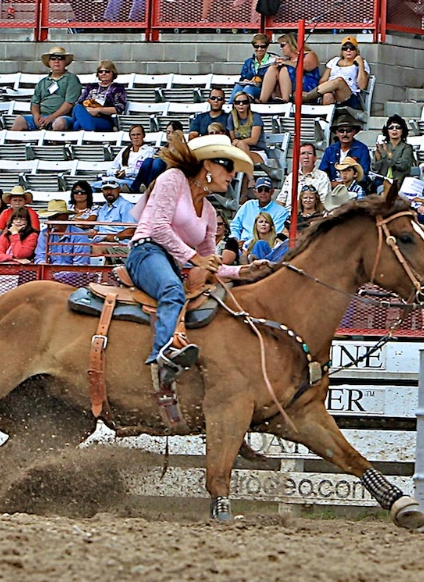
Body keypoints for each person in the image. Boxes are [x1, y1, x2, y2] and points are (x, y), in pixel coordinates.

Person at [125, 134, 254, 390]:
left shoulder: (208, 211)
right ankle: (162, 355)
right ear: (208, 165)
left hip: (168, 262)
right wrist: (195, 258)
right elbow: (159, 228)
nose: (231, 175)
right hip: (146, 251)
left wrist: (244, 270)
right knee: (173, 291)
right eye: (228, 166)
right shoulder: (172, 179)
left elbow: (209, 263)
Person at [11, 47, 83, 132]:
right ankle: (11, 144)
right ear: (49, 62)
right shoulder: (42, 82)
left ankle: (54, 144)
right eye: (53, 58)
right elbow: (34, 103)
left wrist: (51, 118)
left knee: (59, 124)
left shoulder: (72, 79)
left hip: (63, 117)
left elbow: (69, 104)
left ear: (65, 62)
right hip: (42, 116)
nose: (56, 61)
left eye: (60, 58)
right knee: (19, 120)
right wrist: (36, 116)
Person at [303, 36, 371, 110]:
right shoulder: (334, 61)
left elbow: (362, 86)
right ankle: (325, 119)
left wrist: (360, 64)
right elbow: (323, 80)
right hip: (332, 92)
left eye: (352, 48)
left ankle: (307, 97)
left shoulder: (362, 63)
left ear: (356, 50)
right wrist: (330, 87)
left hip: (349, 96)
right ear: (342, 50)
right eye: (345, 48)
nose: (348, 50)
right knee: (327, 96)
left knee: (339, 81)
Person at [63, 60, 126, 132]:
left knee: (77, 124)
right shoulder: (91, 86)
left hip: (105, 119)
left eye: (107, 71)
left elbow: (119, 109)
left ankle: (86, 131)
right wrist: (88, 110)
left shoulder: (118, 88)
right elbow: (80, 102)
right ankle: (89, 130)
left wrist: (98, 110)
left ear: (113, 72)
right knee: (77, 107)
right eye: (101, 71)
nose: (103, 73)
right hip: (87, 115)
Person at [258, 32, 320, 103]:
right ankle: (262, 100)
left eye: (282, 45)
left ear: (291, 44)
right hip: (290, 86)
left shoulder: (309, 54)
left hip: (306, 86)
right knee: (272, 69)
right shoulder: (288, 60)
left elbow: (306, 66)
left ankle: (285, 100)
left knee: (284, 70)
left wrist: (287, 63)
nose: (281, 48)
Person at [229, 176, 289, 244]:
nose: (263, 193)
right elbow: (235, 225)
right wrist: (236, 238)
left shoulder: (281, 211)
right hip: (242, 244)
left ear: (272, 192)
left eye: (266, 190)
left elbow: (274, 233)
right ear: (255, 192)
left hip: (265, 245)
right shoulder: (248, 205)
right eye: (260, 190)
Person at [89, 177, 136, 261]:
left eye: (112, 189)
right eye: (106, 189)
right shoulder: (103, 208)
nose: (109, 192)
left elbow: (131, 230)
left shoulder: (126, 206)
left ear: (119, 189)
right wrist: (94, 232)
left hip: (121, 244)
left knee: (97, 248)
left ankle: (96, 273)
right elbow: (97, 228)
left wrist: (114, 237)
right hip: (103, 241)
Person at [318, 116, 372, 190]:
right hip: (332, 188)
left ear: (354, 132)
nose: (345, 134)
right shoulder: (330, 150)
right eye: (341, 131)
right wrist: (330, 184)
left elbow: (363, 175)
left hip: (354, 188)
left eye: (348, 131)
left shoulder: (362, 149)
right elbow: (322, 173)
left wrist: (347, 183)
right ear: (336, 133)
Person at [131, 121, 183, 193]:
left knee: (157, 162)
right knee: (148, 161)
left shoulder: (183, 149)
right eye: (168, 132)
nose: (169, 135)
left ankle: (148, 187)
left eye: (172, 132)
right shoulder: (163, 149)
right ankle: (136, 187)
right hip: (157, 175)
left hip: (170, 173)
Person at [103, 124, 157, 192]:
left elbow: (145, 171)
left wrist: (127, 172)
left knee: (112, 185)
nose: (135, 137)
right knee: (95, 185)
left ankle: (127, 188)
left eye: (138, 134)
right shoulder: (124, 150)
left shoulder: (149, 151)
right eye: (133, 135)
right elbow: (110, 169)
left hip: (136, 181)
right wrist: (116, 172)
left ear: (143, 135)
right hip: (118, 179)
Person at [276, 143, 330, 210]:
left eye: (309, 153)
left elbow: (324, 203)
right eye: (303, 153)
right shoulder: (291, 177)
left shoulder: (322, 177)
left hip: (313, 217)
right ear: (299, 158)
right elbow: (280, 201)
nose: (306, 156)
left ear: (315, 158)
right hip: (289, 216)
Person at [227, 91, 267, 178]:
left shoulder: (255, 117)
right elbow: (233, 139)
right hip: (240, 153)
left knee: (241, 146)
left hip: (257, 153)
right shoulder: (231, 118)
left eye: (244, 102)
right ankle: (247, 181)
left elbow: (253, 140)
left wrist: (239, 142)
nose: (241, 104)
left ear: (248, 104)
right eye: (238, 102)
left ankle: (250, 177)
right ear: (234, 104)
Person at [371, 115, 415, 194]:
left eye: (398, 127)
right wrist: (378, 156)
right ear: (387, 131)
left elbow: (403, 165)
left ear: (402, 131)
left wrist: (389, 154)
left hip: (399, 181)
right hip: (382, 180)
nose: (394, 130)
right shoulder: (383, 146)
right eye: (391, 128)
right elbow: (375, 168)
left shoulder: (407, 148)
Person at [231, 34, 279, 102]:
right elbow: (242, 77)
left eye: (263, 46)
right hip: (250, 86)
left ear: (267, 46)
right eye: (256, 46)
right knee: (238, 87)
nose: (259, 49)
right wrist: (245, 80)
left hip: (264, 90)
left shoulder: (273, 60)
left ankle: (244, 106)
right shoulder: (248, 62)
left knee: (248, 89)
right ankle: (230, 108)